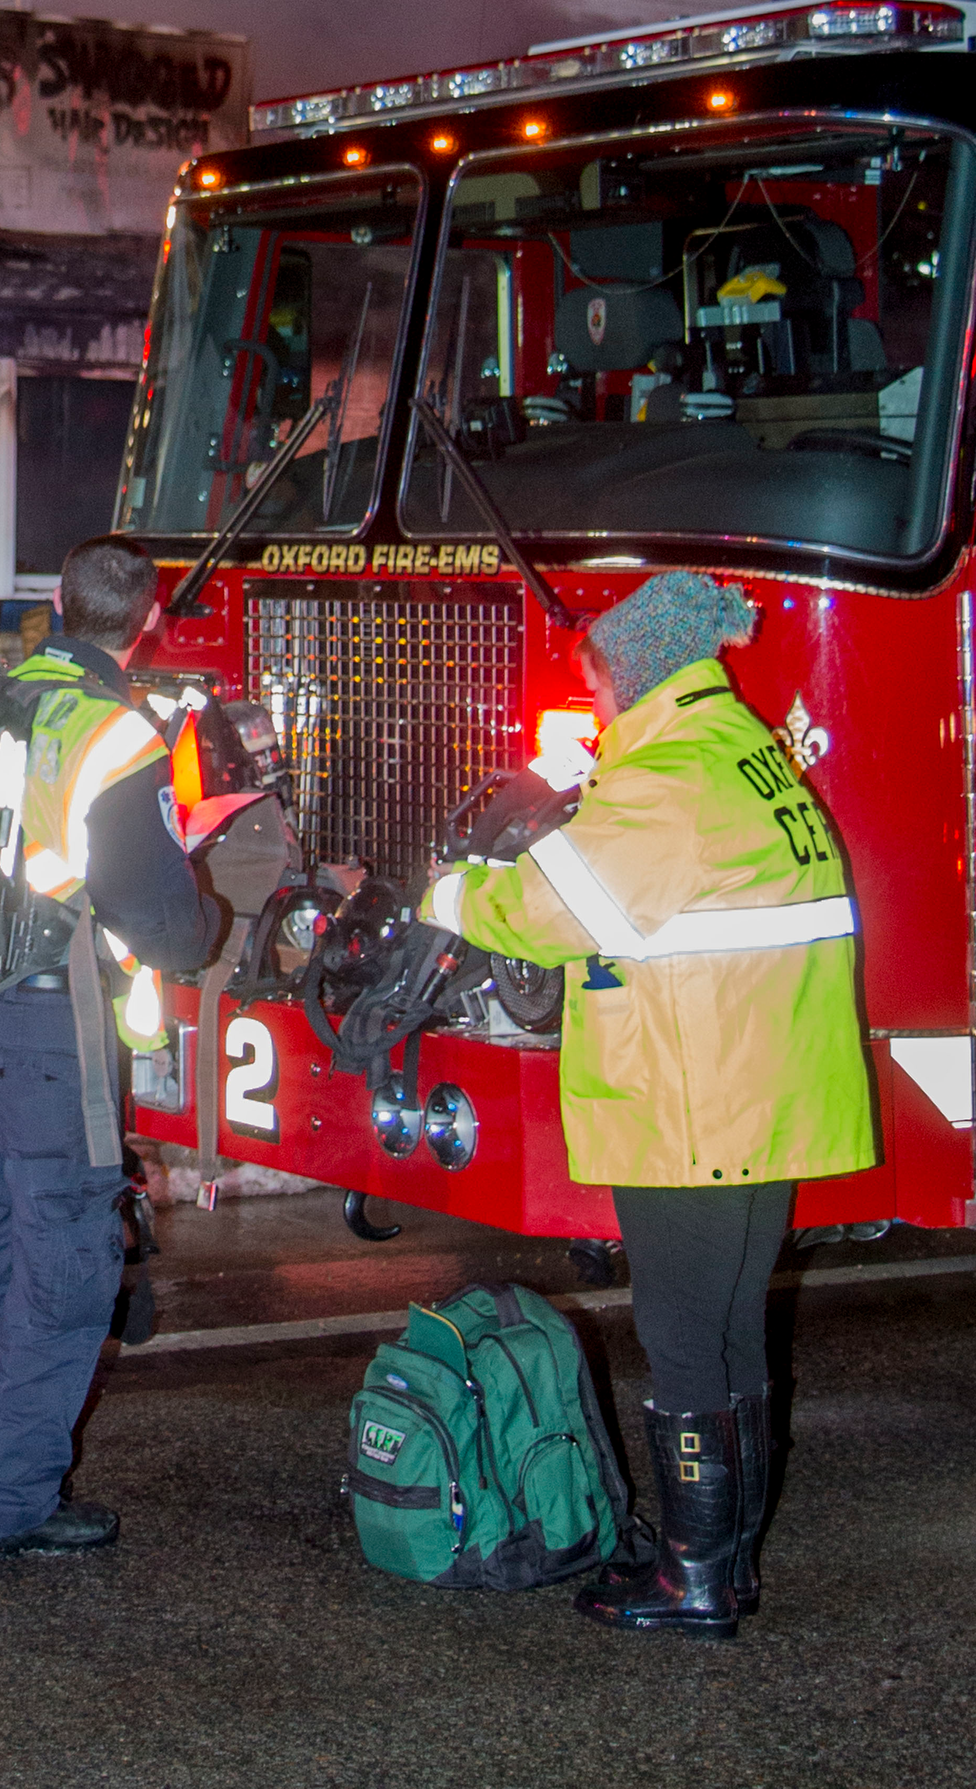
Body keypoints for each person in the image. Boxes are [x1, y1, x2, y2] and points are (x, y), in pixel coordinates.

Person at [423, 570, 873, 1638]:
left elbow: (542, 910)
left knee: (682, 1344)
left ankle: (694, 1580)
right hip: (764, 1096)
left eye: (595, 684)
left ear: (631, 675)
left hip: (693, 1105)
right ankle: (720, 1559)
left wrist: (440, 888)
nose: (596, 707)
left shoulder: (667, 779)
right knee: (731, 1340)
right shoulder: (746, 757)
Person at [0, 534, 213, 1557]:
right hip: (53, 1031)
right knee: (67, 1266)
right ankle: (12, 1504)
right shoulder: (120, 737)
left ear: (53, 602)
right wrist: (207, 917)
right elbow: (159, 919)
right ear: (149, 622)